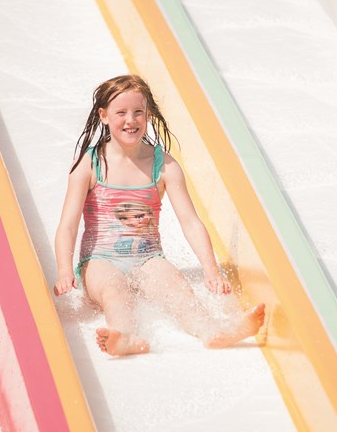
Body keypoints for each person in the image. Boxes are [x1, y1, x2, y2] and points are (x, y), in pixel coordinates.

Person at [53, 74, 266, 356]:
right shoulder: (89, 164)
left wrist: (211, 269)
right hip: (100, 260)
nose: (131, 120)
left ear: (149, 115)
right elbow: (67, 225)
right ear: (104, 115)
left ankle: (213, 330)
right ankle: (126, 337)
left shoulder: (164, 166)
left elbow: (190, 222)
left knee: (176, 288)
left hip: (148, 257)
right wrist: (65, 270)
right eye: (121, 113)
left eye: (138, 112)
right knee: (115, 291)